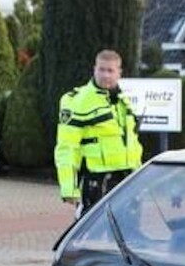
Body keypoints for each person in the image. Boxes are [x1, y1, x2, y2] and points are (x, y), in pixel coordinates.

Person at [55, 49, 143, 216]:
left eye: (110, 71)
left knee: (129, 233)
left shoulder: (124, 100)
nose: (105, 75)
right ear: (94, 69)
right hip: (97, 180)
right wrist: (69, 188)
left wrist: (138, 176)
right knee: (92, 236)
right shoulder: (77, 100)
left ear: (119, 73)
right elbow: (66, 147)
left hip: (128, 179)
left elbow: (132, 142)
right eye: (101, 70)